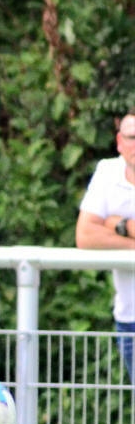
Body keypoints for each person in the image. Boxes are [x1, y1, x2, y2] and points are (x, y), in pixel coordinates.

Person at [75, 110, 135, 382]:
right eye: (132, 137)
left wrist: (116, 223)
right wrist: (129, 229)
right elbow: (85, 236)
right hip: (129, 317)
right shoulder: (108, 171)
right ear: (119, 141)